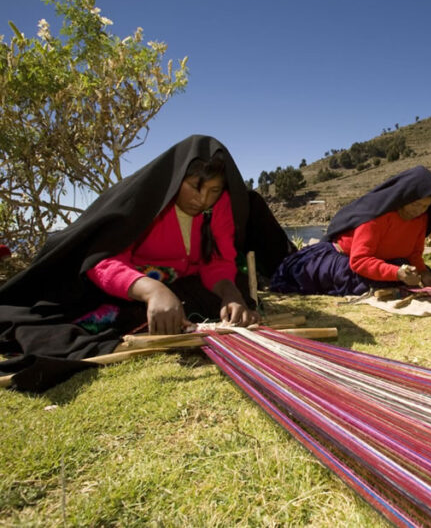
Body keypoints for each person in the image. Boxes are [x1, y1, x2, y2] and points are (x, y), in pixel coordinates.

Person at [0, 135, 294, 391]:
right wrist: (151, 291)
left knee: (232, 291)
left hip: (180, 284)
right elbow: (102, 260)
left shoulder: (219, 209)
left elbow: (216, 261)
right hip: (129, 285)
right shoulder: (146, 203)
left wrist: (230, 294)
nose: (203, 200)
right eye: (195, 187)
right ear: (178, 178)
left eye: (214, 191)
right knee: (74, 320)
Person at [270, 166, 431, 295]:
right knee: (375, 282)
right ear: (403, 197)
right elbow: (360, 261)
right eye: (415, 203)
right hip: (345, 261)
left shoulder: (420, 219)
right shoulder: (376, 216)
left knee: (405, 275)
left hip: (381, 262)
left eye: (425, 206)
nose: (418, 210)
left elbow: (414, 254)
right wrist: (396, 273)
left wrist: (424, 273)